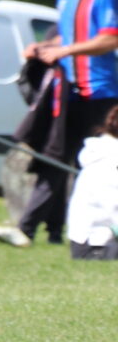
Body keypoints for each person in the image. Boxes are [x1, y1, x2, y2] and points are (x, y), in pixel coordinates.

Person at [0, 0, 118, 247]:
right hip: (70, 94)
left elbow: (110, 38)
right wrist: (44, 47)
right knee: (55, 157)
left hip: (101, 95)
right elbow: (70, 36)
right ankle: (31, 230)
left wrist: (65, 51)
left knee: (102, 164)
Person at [66, 104, 118, 259]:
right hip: (94, 245)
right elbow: (111, 205)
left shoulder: (102, 150)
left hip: (91, 241)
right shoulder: (110, 159)